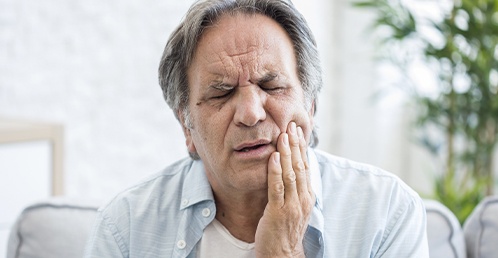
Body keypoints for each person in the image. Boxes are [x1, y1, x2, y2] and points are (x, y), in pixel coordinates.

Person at [84, 0, 429, 257]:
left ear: (310, 106)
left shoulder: (386, 213)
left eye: (272, 85)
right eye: (221, 92)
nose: (250, 113)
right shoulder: (125, 228)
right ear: (186, 127)